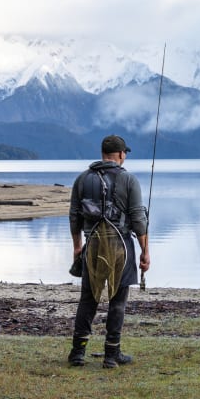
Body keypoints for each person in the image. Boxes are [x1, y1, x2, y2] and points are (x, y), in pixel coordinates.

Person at [67, 134, 150, 368]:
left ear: (103, 153)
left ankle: (77, 353)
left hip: (92, 246)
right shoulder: (129, 180)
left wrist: (77, 247)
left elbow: (74, 217)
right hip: (121, 246)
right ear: (122, 155)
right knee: (118, 301)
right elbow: (138, 219)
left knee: (88, 300)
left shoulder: (82, 179)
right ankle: (111, 355)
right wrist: (145, 251)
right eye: (125, 154)